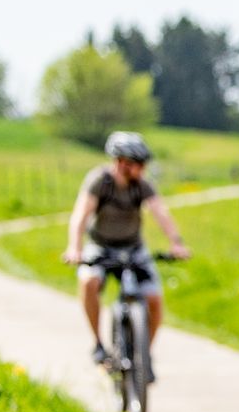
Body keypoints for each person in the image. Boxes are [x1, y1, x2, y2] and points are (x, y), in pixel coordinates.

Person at [61, 131, 191, 369]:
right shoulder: (100, 181)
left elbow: (160, 211)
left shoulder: (141, 185)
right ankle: (99, 344)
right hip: (100, 246)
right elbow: (81, 214)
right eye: (137, 164)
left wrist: (176, 242)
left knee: (154, 299)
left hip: (133, 248)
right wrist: (74, 247)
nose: (142, 169)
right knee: (89, 283)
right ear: (121, 162)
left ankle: (143, 355)